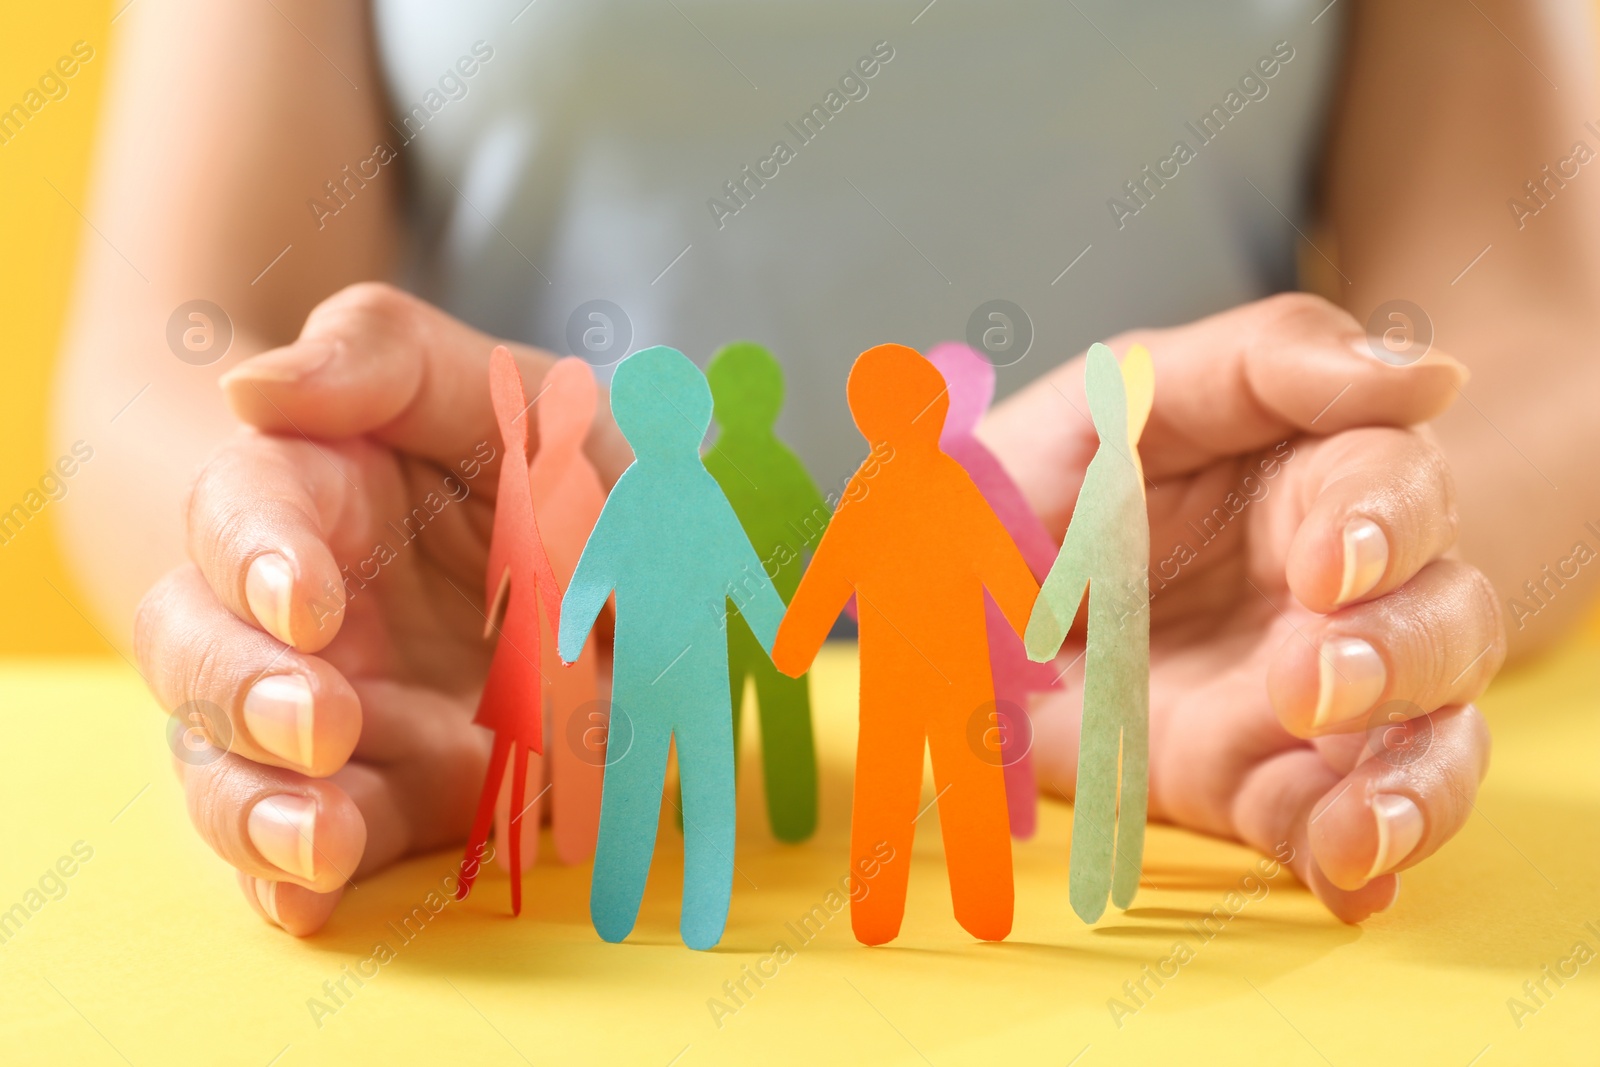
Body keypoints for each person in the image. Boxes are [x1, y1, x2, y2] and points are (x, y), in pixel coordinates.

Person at [68, 0, 1593, 934]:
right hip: (529, 670)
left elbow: (1531, 340)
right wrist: (291, 552)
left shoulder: (915, 493)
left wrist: (1365, 544)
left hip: (1128, 676)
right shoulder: (802, 492)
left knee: (854, 789)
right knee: (718, 792)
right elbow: (185, 340)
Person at [558, 345, 786, 950]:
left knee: (664, 788)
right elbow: (747, 577)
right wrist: (779, 635)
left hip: (668, 672)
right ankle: (643, 912)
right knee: (674, 788)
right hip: (666, 673)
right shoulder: (678, 491)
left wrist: (573, 630)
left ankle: (667, 915)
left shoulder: (661, 492)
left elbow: (596, 573)